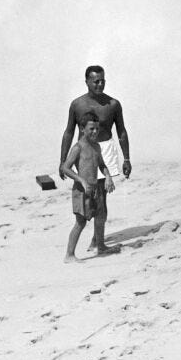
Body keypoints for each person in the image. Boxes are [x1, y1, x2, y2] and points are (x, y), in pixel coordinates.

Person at [59, 65, 130, 252]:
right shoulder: (77, 104)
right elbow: (68, 132)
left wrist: (127, 159)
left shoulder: (113, 104)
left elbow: (121, 131)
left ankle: (97, 241)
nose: (100, 84)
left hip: (104, 149)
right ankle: (94, 241)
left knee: (102, 196)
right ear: (87, 82)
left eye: (102, 80)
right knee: (90, 196)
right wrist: (62, 160)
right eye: (96, 81)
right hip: (83, 151)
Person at [62, 113, 115, 262]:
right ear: (82, 128)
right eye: (91, 128)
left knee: (101, 216)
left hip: (95, 188)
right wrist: (82, 181)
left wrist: (108, 177)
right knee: (81, 222)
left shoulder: (96, 146)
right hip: (81, 190)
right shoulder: (78, 147)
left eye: (97, 129)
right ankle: (69, 255)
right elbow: (65, 168)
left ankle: (101, 246)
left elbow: (102, 165)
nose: (95, 132)